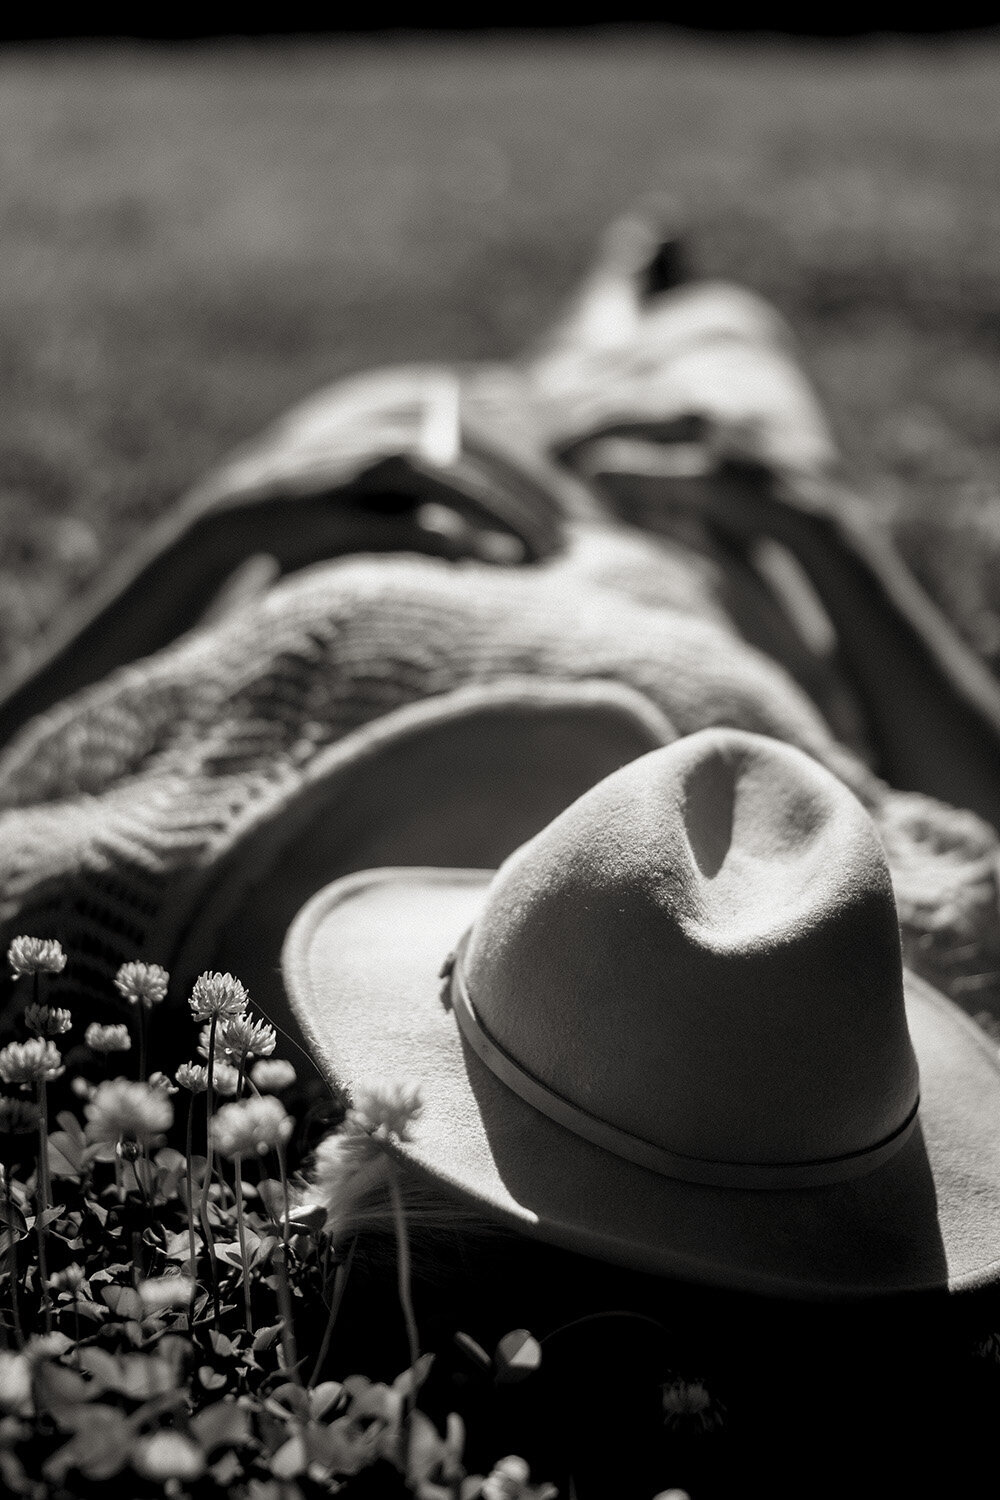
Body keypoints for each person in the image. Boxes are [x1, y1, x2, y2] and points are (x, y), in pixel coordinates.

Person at [2, 212, 1000, 1497]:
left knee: (449, 380)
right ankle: (634, 289)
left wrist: (211, 538)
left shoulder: (107, 914)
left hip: (393, 491)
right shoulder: (810, 939)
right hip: (690, 537)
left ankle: (606, 293)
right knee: (722, 351)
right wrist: (825, 539)